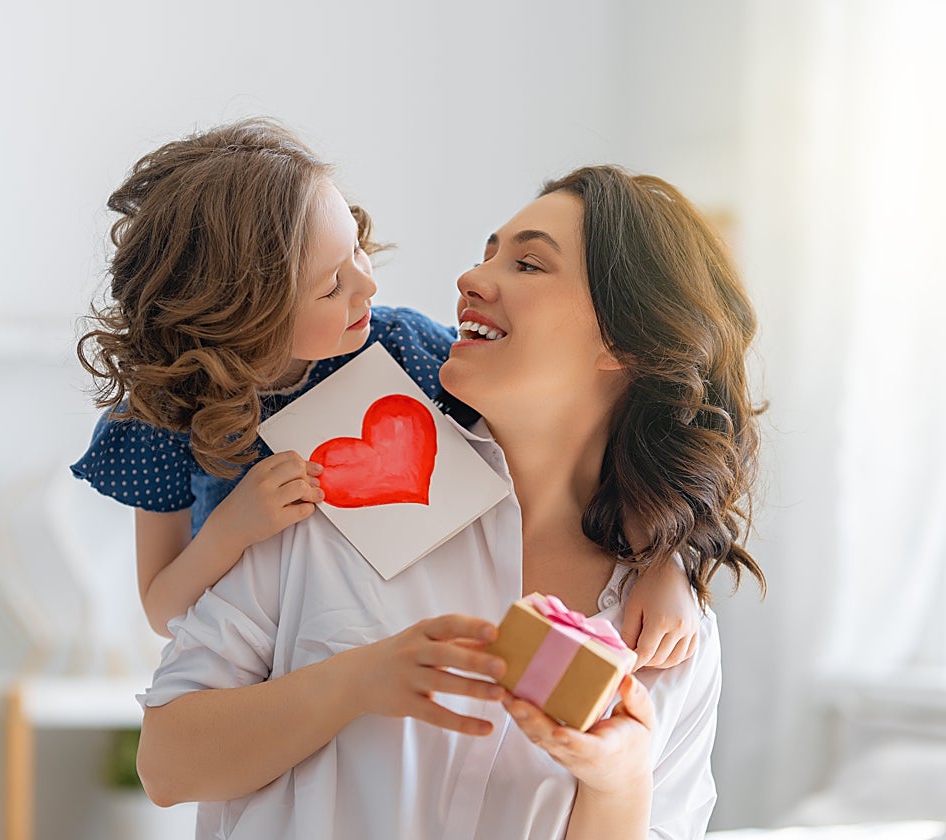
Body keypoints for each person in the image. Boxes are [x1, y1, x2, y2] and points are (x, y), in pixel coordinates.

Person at [134, 165, 767, 839]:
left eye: (528, 264)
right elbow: (167, 764)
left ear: (624, 343)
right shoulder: (334, 488)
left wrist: (619, 782)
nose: (472, 278)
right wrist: (356, 681)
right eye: (487, 253)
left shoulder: (665, 634)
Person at [73, 119, 700, 670]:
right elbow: (161, 609)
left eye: (358, 248)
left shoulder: (405, 351)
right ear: (243, 315)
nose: (367, 286)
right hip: (257, 665)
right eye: (331, 286)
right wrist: (233, 530)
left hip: (394, 647)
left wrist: (662, 561)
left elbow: (590, 455)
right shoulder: (160, 419)